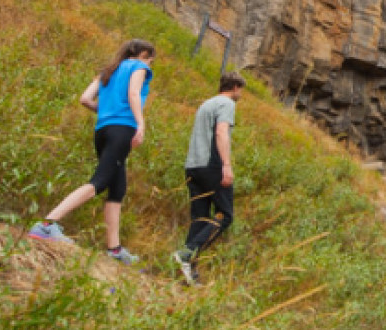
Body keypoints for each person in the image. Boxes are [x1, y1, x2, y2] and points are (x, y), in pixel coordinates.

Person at [28, 38, 155, 264]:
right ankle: (47, 224)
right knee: (100, 181)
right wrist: (141, 124)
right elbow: (134, 94)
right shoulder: (139, 67)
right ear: (143, 54)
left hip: (103, 129)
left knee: (117, 188)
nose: (151, 64)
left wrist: (106, 110)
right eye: (151, 59)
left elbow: (85, 99)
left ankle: (114, 250)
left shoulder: (108, 70)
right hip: (123, 128)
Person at [173, 71, 246, 285]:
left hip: (193, 165)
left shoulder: (206, 104)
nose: (240, 94)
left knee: (201, 217)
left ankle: (188, 271)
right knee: (226, 215)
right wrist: (226, 165)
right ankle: (187, 254)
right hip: (211, 165)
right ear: (235, 88)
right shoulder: (227, 104)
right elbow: (221, 132)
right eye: (240, 90)